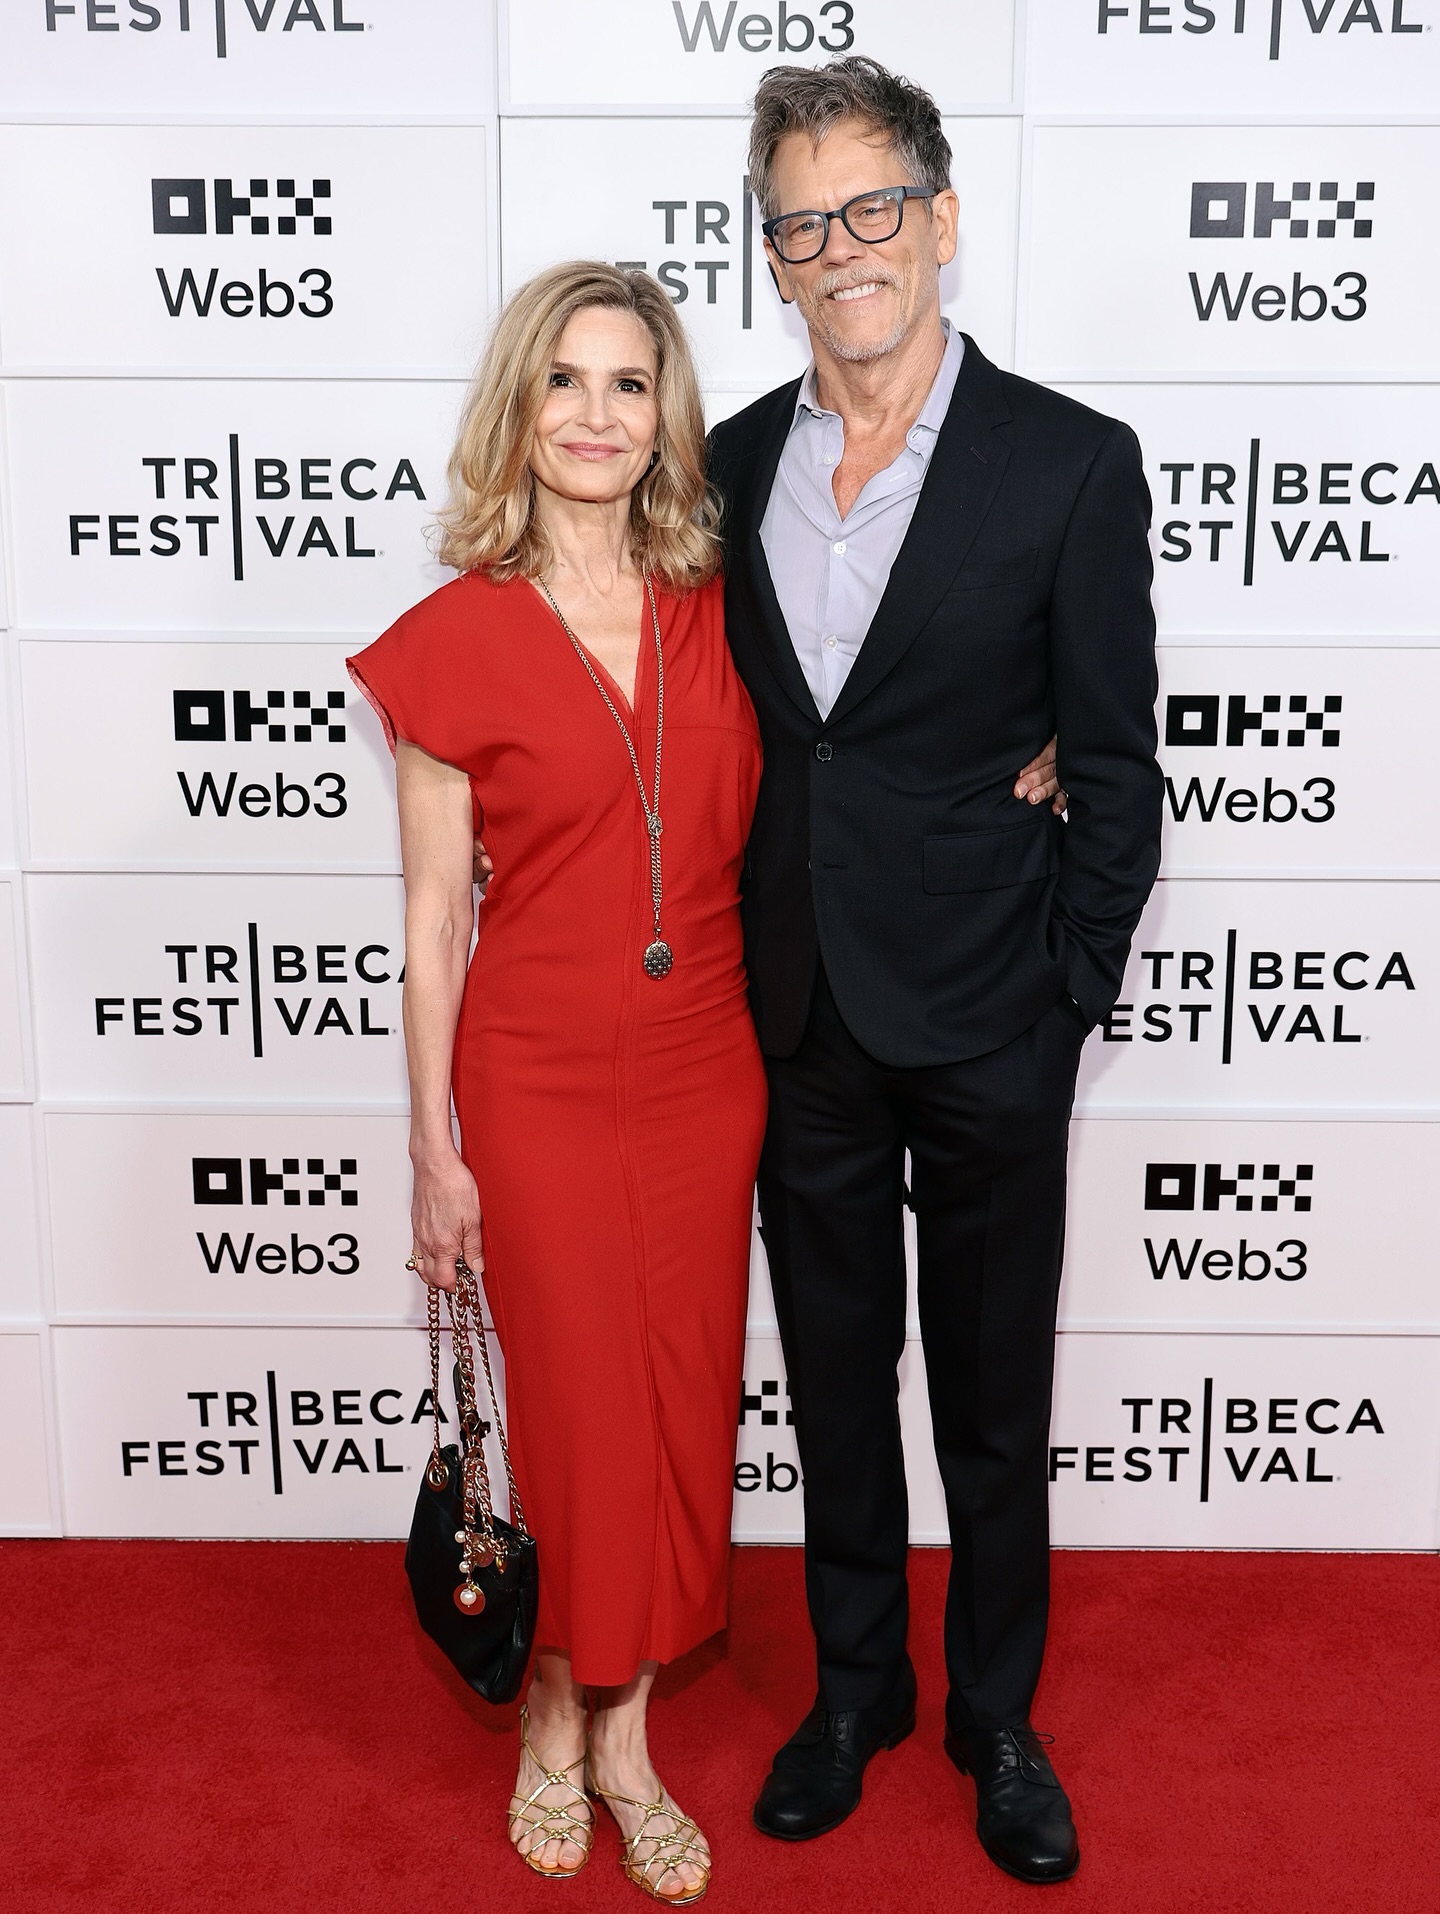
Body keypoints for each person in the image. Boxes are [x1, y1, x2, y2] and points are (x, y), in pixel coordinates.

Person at [706, 57, 1162, 1885]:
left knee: (990, 1399)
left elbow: (1115, 764)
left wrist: (1067, 996)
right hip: (800, 1009)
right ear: (774, 257)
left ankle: (996, 1714)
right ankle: (855, 1691)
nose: (845, 249)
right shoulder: (725, 464)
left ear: (943, 218)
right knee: (831, 1380)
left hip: (992, 1014)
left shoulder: (1069, 463)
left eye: (874, 207)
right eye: (804, 223)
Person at [348, 261, 769, 1903]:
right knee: (585, 1414)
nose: (598, 415)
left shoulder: (725, 603)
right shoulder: (452, 639)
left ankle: (631, 1732)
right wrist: (431, 1147)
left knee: (683, 1404)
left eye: (630, 383)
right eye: (566, 381)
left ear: (667, 414)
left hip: (710, 1065)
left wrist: (1041, 743)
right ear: (519, 408)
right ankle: (554, 1716)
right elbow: (432, 916)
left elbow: (880, 718)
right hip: (532, 1078)